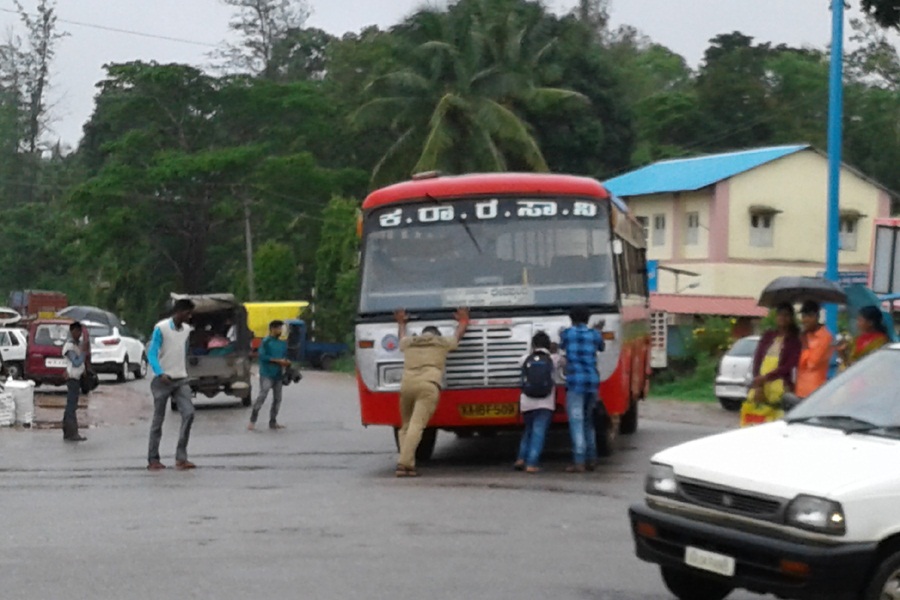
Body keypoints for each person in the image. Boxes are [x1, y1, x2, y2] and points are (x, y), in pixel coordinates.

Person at [393, 307, 469, 477]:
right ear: (436, 334)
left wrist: (401, 323)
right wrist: (463, 321)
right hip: (428, 386)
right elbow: (458, 336)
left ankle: (407, 464)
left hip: (407, 386)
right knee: (417, 425)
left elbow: (401, 338)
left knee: (405, 426)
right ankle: (404, 463)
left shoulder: (410, 343)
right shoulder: (441, 343)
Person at [147, 298, 196, 471]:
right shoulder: (161, 328)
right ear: (178, 312)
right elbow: (152, 354)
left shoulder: (187, 330)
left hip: (180, 378)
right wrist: (160, 373)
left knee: (189, 413)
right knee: (158, 420)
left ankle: (181, 457)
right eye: (187, 313)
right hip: (162, 380)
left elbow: (184, 351)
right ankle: (153, 458)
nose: (189, 317)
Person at [740, 303, 801, 427]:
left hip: (780, 384)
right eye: (780, 315)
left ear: (791, 318)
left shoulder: (794, 340)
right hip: (761, 384)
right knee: (756, 419)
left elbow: (789, 365)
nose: (782, 318)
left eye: (786, 315)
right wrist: (758, 384)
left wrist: (766, 378)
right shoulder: (768, 335)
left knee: (776, 421)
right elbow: (757, 359)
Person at [560, 306, 605, 473]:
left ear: (571, 319)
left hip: (575, 383)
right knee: (588, 422)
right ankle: (591, 459)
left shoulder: (567, 334)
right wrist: (598, 330)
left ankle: (579, 461)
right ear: (588, 318)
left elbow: (562, 345)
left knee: (576, 422)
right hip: (592, 382)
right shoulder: (594, 335)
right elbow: (601, 347)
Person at [513, 331, 559, 474]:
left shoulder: (525, 358)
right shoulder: (553, 358)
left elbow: (519, 364)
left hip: (527, 401)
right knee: (538, 433)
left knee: (528, 431)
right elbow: (563, 361)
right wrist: (554, 350)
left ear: (533, 345)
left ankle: (521, 458)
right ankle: (532, 463)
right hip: (545, 403)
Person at [248, 320, 290, 431]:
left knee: (277, 399)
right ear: (272, 329)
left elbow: (284, 356)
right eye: (278, 328)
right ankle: (253, 420)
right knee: (263, 395)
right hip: (267, 373)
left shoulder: (282, 343)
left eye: (281, 328)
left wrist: (286, 363)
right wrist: (278, 361)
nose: (280, 331)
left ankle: (273, 421)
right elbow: (262, 356)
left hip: (278, 374)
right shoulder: (266, 342)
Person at [795, 300, 835, 399]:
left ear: (816, 317)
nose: (805, 320)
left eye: (809, 316)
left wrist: (804, 344)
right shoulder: (806, 334)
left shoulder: (825, 336)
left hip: (814, 391)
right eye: (803, 317)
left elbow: (812, 363)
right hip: (799, 389)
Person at [61, 322, 87, 442]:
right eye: (77, 331)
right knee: (71, 406)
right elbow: (76, 362)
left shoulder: (77, 345)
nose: (79, 334)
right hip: (72, 378)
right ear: (72, 332)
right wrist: (83, 353)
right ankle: (72, 432)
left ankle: (67, 431)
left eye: (80, 331)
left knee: (71, 405)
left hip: (77, 378)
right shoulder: (69, 346)